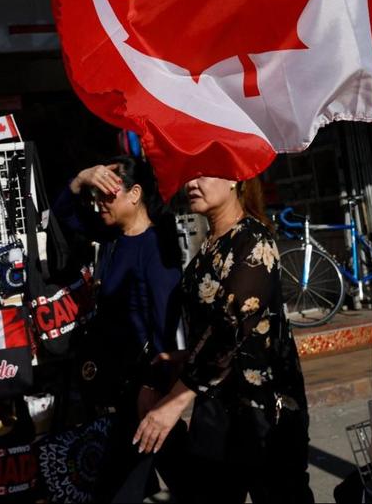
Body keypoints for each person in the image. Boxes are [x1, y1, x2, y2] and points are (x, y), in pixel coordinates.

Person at [133, 175, 315, 504]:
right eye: (187, 174)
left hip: (263, 410)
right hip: (216, 409)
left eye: (202, 173)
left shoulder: (253, 239)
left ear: (233, 179)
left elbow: (233, 325)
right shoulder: (209, 246)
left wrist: (175, 401)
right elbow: (215, 331)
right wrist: (182, 357)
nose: (190, 182)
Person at [52, 155, 184, 502]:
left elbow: (164, 326)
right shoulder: (112, 236)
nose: (99, 205)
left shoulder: (155, 247)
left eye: (107, 195)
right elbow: (63, 214)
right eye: (96, 196)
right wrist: (81, 177)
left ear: (135, 194)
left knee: (123, 487)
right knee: (176, 477)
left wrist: (151, 385)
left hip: (142, 390)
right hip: (120, 390)